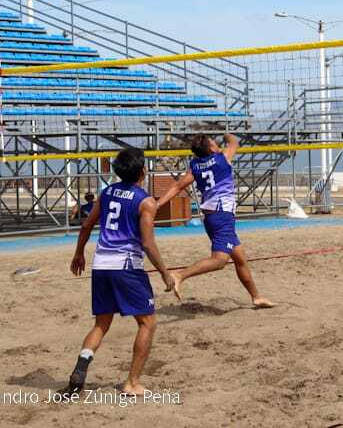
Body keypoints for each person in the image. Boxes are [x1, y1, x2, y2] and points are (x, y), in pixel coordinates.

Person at [63, 147, 177, 396]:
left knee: (101, 324)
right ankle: (132, 383)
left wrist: (79, 253)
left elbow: (86, 225)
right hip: (126, 267)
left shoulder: (106, 193)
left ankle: (81, 365)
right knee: (147, 323)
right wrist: (165, 273)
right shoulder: (145, 201)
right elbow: (147, 243)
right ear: (142, 171)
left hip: (101, 265)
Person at [156, 133, 274, 307]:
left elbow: (178, 186)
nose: (216, 144)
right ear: (211, 148)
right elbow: (234, 141)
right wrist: (225, 133)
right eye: (213, 142)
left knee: (240, 258)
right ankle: (179, 275)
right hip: (222, 215)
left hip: (212, 217)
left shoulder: (195, 165)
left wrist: (158, 204)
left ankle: (256, 296)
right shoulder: (223, 158)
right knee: (219, 260)